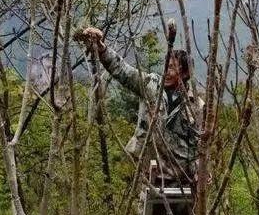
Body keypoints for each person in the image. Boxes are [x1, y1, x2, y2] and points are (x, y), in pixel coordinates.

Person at [79, 27, 200, 185]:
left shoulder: (195, 105)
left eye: (171, 68)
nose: (166, 71)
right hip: (149, 175)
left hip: (183, 182)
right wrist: (102, 49)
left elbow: (200, 147)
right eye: (166, 66)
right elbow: (123, 71)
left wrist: (200, 175)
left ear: (185, 74)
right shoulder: (151, 85)